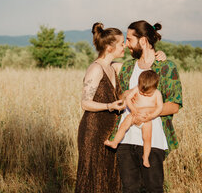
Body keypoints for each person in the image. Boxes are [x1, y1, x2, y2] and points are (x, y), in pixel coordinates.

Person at [75, 22, 166, 193]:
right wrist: (109, 105)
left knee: (108, 177)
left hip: (110, 130)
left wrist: (159, 54)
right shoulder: (95, 68)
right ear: (109, 47)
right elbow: (85, 103)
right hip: (93, 130)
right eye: (121, 42)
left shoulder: (114, 67)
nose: (125, 45)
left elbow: (142, 65)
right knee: (93, 176)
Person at [111, 20, 183, 193]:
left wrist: (147, 113)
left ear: (143, 41)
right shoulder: (128, 67)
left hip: (153, 139)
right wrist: (126, 96)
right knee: (129, 189)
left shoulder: (166, 67)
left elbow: (174, 105)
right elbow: (120, 98)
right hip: (126, 139)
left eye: (129, 39)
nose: (126, 44)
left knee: (153, 188)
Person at [104, 70, 163, 168]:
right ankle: (115, 142)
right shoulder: (136, 89)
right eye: (141, 92)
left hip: (146, 119)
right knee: (123, 126)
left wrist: (151, 116)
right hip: (134, 114)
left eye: (148, 94)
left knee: (147, 139)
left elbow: (159, 108)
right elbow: (128, 99)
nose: (143, 94)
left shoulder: (157, 94)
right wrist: (133, 109)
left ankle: (145, 157)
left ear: (155, 87)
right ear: (139, 84)